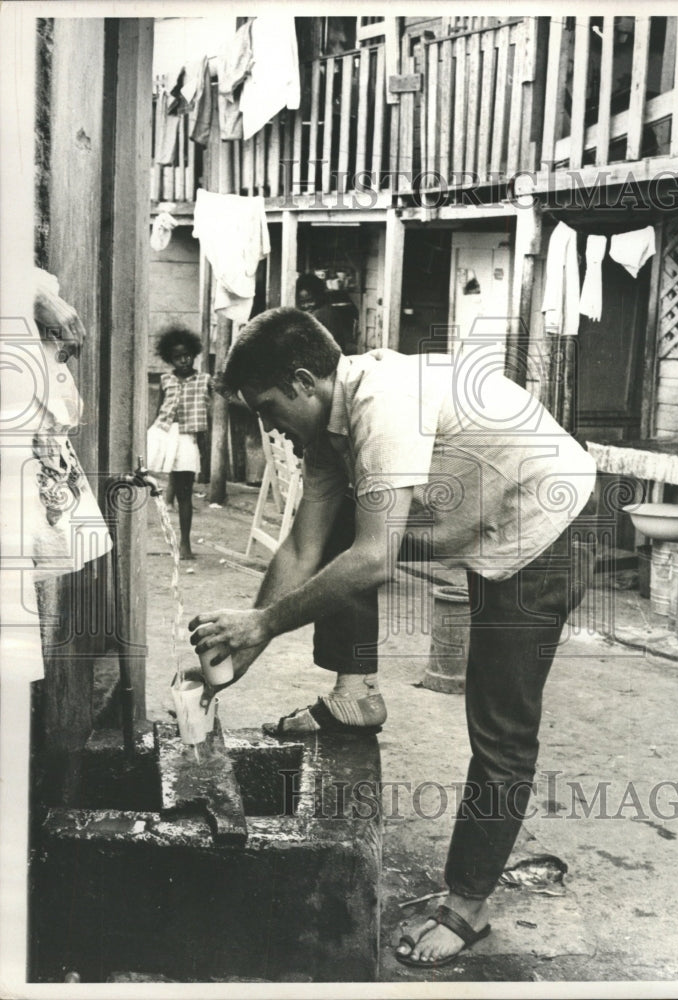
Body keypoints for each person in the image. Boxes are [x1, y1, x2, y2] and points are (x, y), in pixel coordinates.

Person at [188, 307, 597, 967]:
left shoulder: (384, 404)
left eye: (268, 409)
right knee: (342, 529)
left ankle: (467, 907)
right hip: (497, 514)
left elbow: (376, 558)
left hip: (549, 526)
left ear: (301, 382)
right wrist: (240, 649)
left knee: (500, 725)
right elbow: (304, 546)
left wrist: (265, 622)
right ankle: (356, 694)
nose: (268, 428)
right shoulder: (327, 430)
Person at [148, 325, 212, 559]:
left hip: (188, 436)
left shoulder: (204, 381)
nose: (183, 360)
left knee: (186, 492)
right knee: (156, 478)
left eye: (187, 355)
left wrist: (204, 448)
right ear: (170, 359)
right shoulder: (166, 380)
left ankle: (185, 543)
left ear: (194, 354)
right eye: (177, 357)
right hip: (165, 433)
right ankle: (168, 497)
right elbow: (159, 411)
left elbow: (209, 414)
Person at [296, 272, 359, 355]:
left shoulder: (321, 314)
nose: (306, 306)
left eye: (310, 301)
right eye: (302, 302)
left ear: (318, 297)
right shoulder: (319, 311)